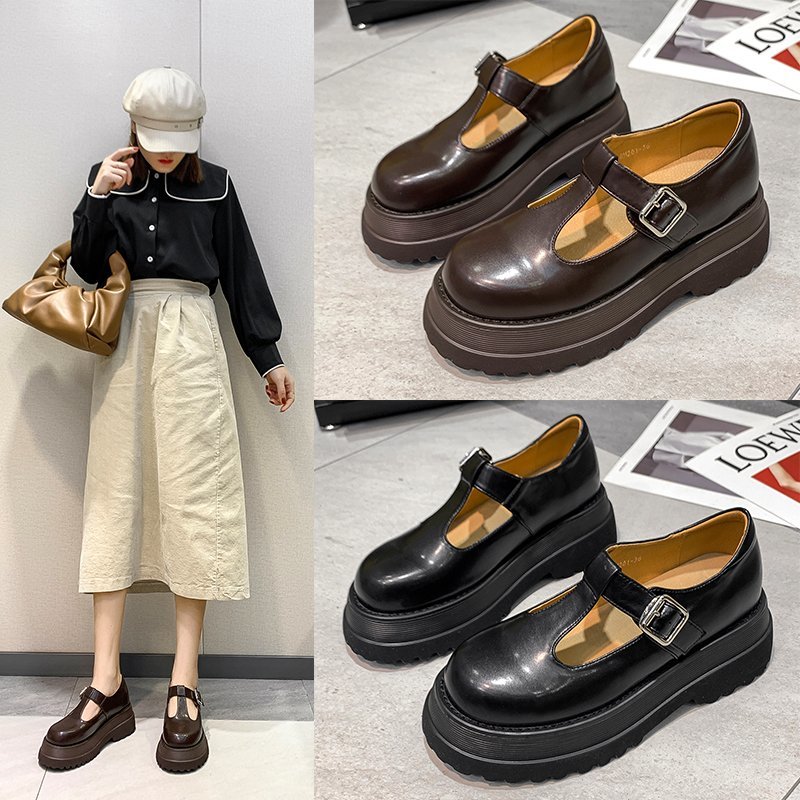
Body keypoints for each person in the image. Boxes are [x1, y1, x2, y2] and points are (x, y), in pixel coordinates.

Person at [37, 66, 295, 774]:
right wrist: (97, 197)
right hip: (124, 346)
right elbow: (86, 268)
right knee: (113, 496)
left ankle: (185, 682)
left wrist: (267, 356)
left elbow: (241, 273)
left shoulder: (217, 186)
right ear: (133, 126)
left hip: (194, 344)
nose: (166, 151)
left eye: (177, 138)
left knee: (195, 499)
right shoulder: (108, 180)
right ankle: (106, 684)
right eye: (155, 137)